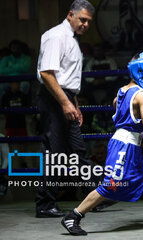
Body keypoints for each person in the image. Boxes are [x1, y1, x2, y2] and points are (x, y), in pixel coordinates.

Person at [61, 52, 143, 236]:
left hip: (132, 146)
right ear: (142, 72)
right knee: (111, 185)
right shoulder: (142, 95)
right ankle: (73, 216)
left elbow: (116, 105)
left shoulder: (122, 91)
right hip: (124, 146)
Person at [35, 0, 99, 218]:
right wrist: (64, 102)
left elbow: (68, 78)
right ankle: (45, 204)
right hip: (54, 98)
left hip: (66, 97)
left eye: (88, 21)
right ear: (70, 14)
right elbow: (47, 73)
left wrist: (74, 103)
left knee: (78, 151)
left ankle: (94, 198)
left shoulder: (71, 39)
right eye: (82, 19)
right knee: (55, 153)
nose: (85, 25)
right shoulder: (56, 36)